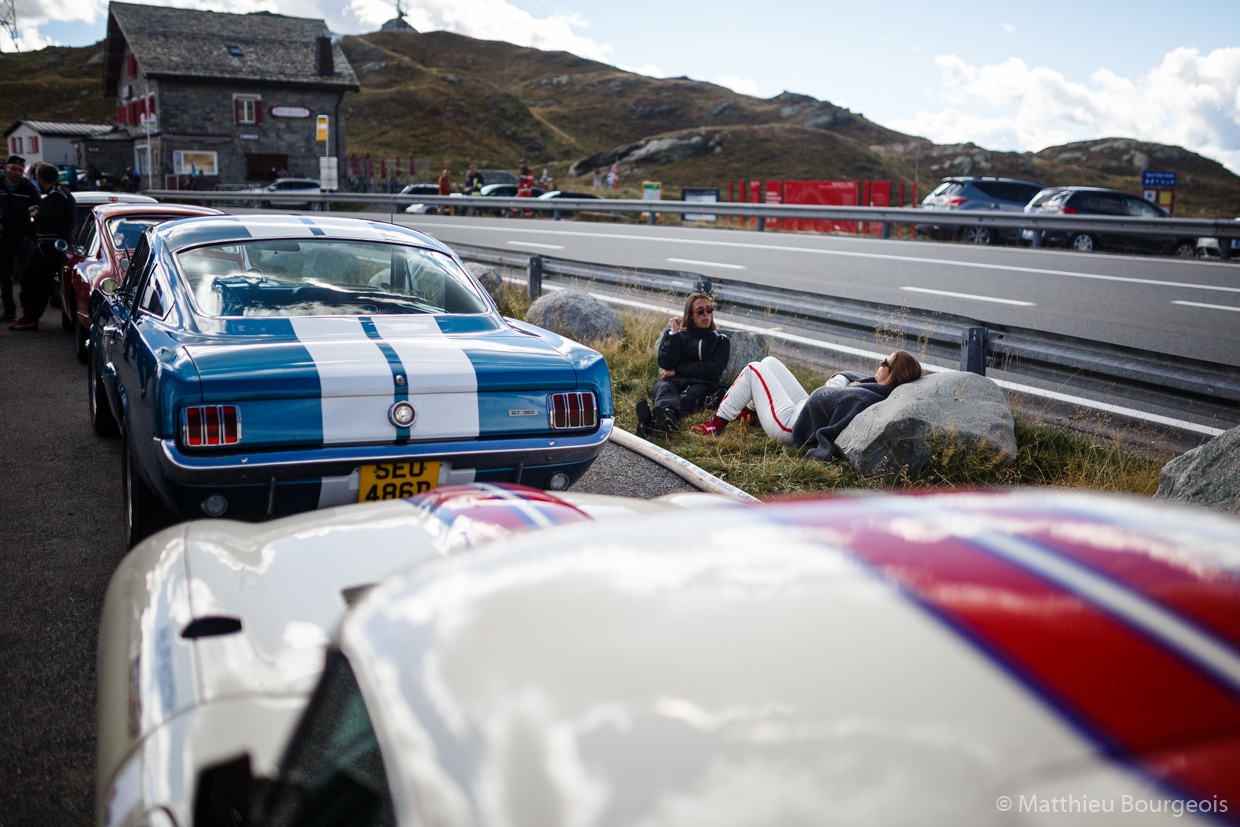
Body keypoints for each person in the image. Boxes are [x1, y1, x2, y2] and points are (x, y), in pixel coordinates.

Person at [691, 351, 922, 459]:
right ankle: (749, 413)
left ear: (892, 374)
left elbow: (831, 393)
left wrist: (840, 384)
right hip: (805, 407)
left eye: (885, 362)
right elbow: (840, 382)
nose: (879, 363)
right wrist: (841, 383)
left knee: (754, 369)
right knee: (769, 361)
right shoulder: (875, 388)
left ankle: (717, 423)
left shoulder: (862, 397)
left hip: (791, 425)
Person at [636, 293, 730, 436]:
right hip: (674, 381)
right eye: (700, 311)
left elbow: (713, 370)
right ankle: (664, 416)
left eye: (709, 310)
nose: (705, 314)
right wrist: (673, 334)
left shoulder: (720, 341)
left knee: (689, 397)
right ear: (690, 315)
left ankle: (652, 422)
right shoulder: (680, 336)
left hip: (702, 383)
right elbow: (666, 363)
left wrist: (677, 371)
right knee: (664, 387)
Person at [9, 163, 75, 331]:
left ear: (40, 179)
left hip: (49, 245)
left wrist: (35, 214)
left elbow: (49, 220)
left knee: (33, 280)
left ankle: (30, 316)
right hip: (50, 244)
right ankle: (30, 315)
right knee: (35, 280)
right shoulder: (58, 194)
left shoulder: (57, 196)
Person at [0, 154, 40, 322]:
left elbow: (38, 211)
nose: (17, 173)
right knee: (4, 276)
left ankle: (29, 312)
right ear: (5, 169)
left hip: (22, 238)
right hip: (3, 237)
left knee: (27, 276)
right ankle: (9, 311)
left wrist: (30, 228)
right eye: (14, 169)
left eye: (20, 170)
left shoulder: (28, 188)